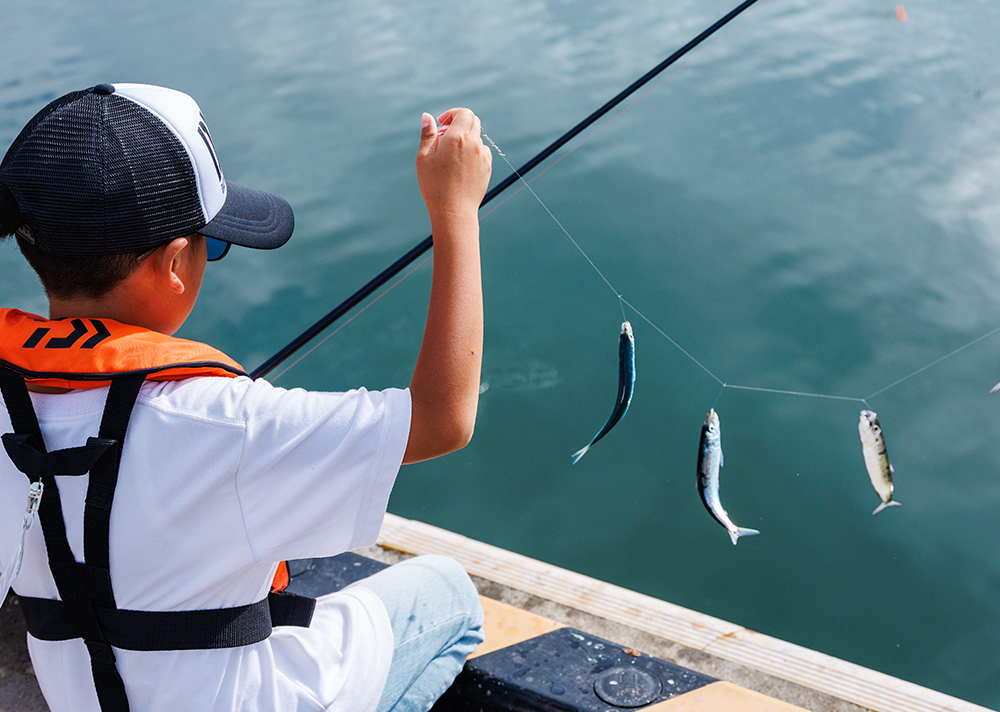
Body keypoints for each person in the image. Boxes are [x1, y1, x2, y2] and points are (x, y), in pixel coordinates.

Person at [0, 83, 492, 712]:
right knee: (448, 593)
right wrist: (457, 211)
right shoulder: (228, 421)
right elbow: (444, 418)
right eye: (216, 243)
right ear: (175, 263)